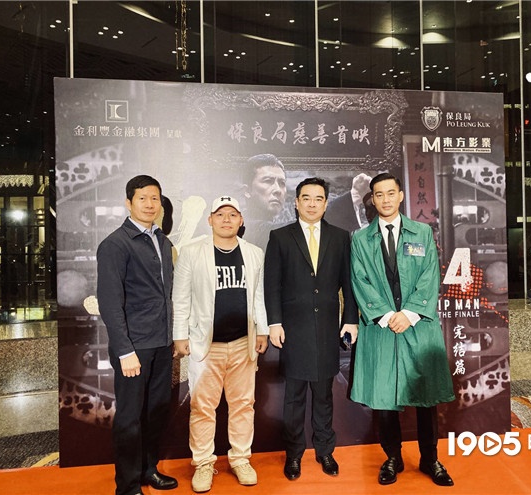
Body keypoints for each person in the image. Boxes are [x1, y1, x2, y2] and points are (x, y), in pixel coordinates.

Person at [349, 172, 455, 487]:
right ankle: (392, 458)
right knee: (384, 399)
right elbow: (359, 279)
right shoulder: (360, 239)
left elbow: (430, 275)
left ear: (401, 195)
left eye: (390, 193)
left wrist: (409, 313)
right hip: (381, 328)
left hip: (417, 325)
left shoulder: (421, 232)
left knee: (426, 397)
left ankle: (430, 459)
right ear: (372, 199)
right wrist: (384, 315)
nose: (385, 199)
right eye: (379, 194)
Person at [264, 177, 359, 481]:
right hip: (293, 330)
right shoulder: (280, 237)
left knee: (324, 394)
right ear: (296, 202)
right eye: (306, 198)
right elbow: (272, 285)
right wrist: (274, 322)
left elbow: (349, 284)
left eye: (319, 199)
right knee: (294, 397)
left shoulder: (340, 237)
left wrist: (350, 319)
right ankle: (294, 454)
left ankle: (325, 450)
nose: (312, 204)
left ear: (326, 203)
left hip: (328, 329)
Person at [173, 195, 269, 493]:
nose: (226, 220)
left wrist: (262, 330)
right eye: (220, 214)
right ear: (210, 219)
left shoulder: (254, 253)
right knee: (203, 407)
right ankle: (203, 463)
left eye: (232, 214)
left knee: (243, 405)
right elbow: (180, 297)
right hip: (206, 345)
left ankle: (240, 459)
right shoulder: (192, 252)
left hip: (243, 343)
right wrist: (180, 335)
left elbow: (258, 296)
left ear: (241, 220)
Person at [96, 175, 178, 495]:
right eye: (142, 198)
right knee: (130, 418)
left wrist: (173, 338)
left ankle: (148, 470)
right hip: (134, 348)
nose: (149, 204)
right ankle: (128, 486)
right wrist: (124, 350)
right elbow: (109, 302)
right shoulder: (115, 244)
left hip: (162, 344)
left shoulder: (163, 241)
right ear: (128, 203)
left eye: (155, 198)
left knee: (155, 412)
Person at [239, 153, 288, 247]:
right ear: (247, 191)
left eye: (282, 183)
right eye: (268, 181)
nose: (278, 190)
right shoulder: (238, 227)